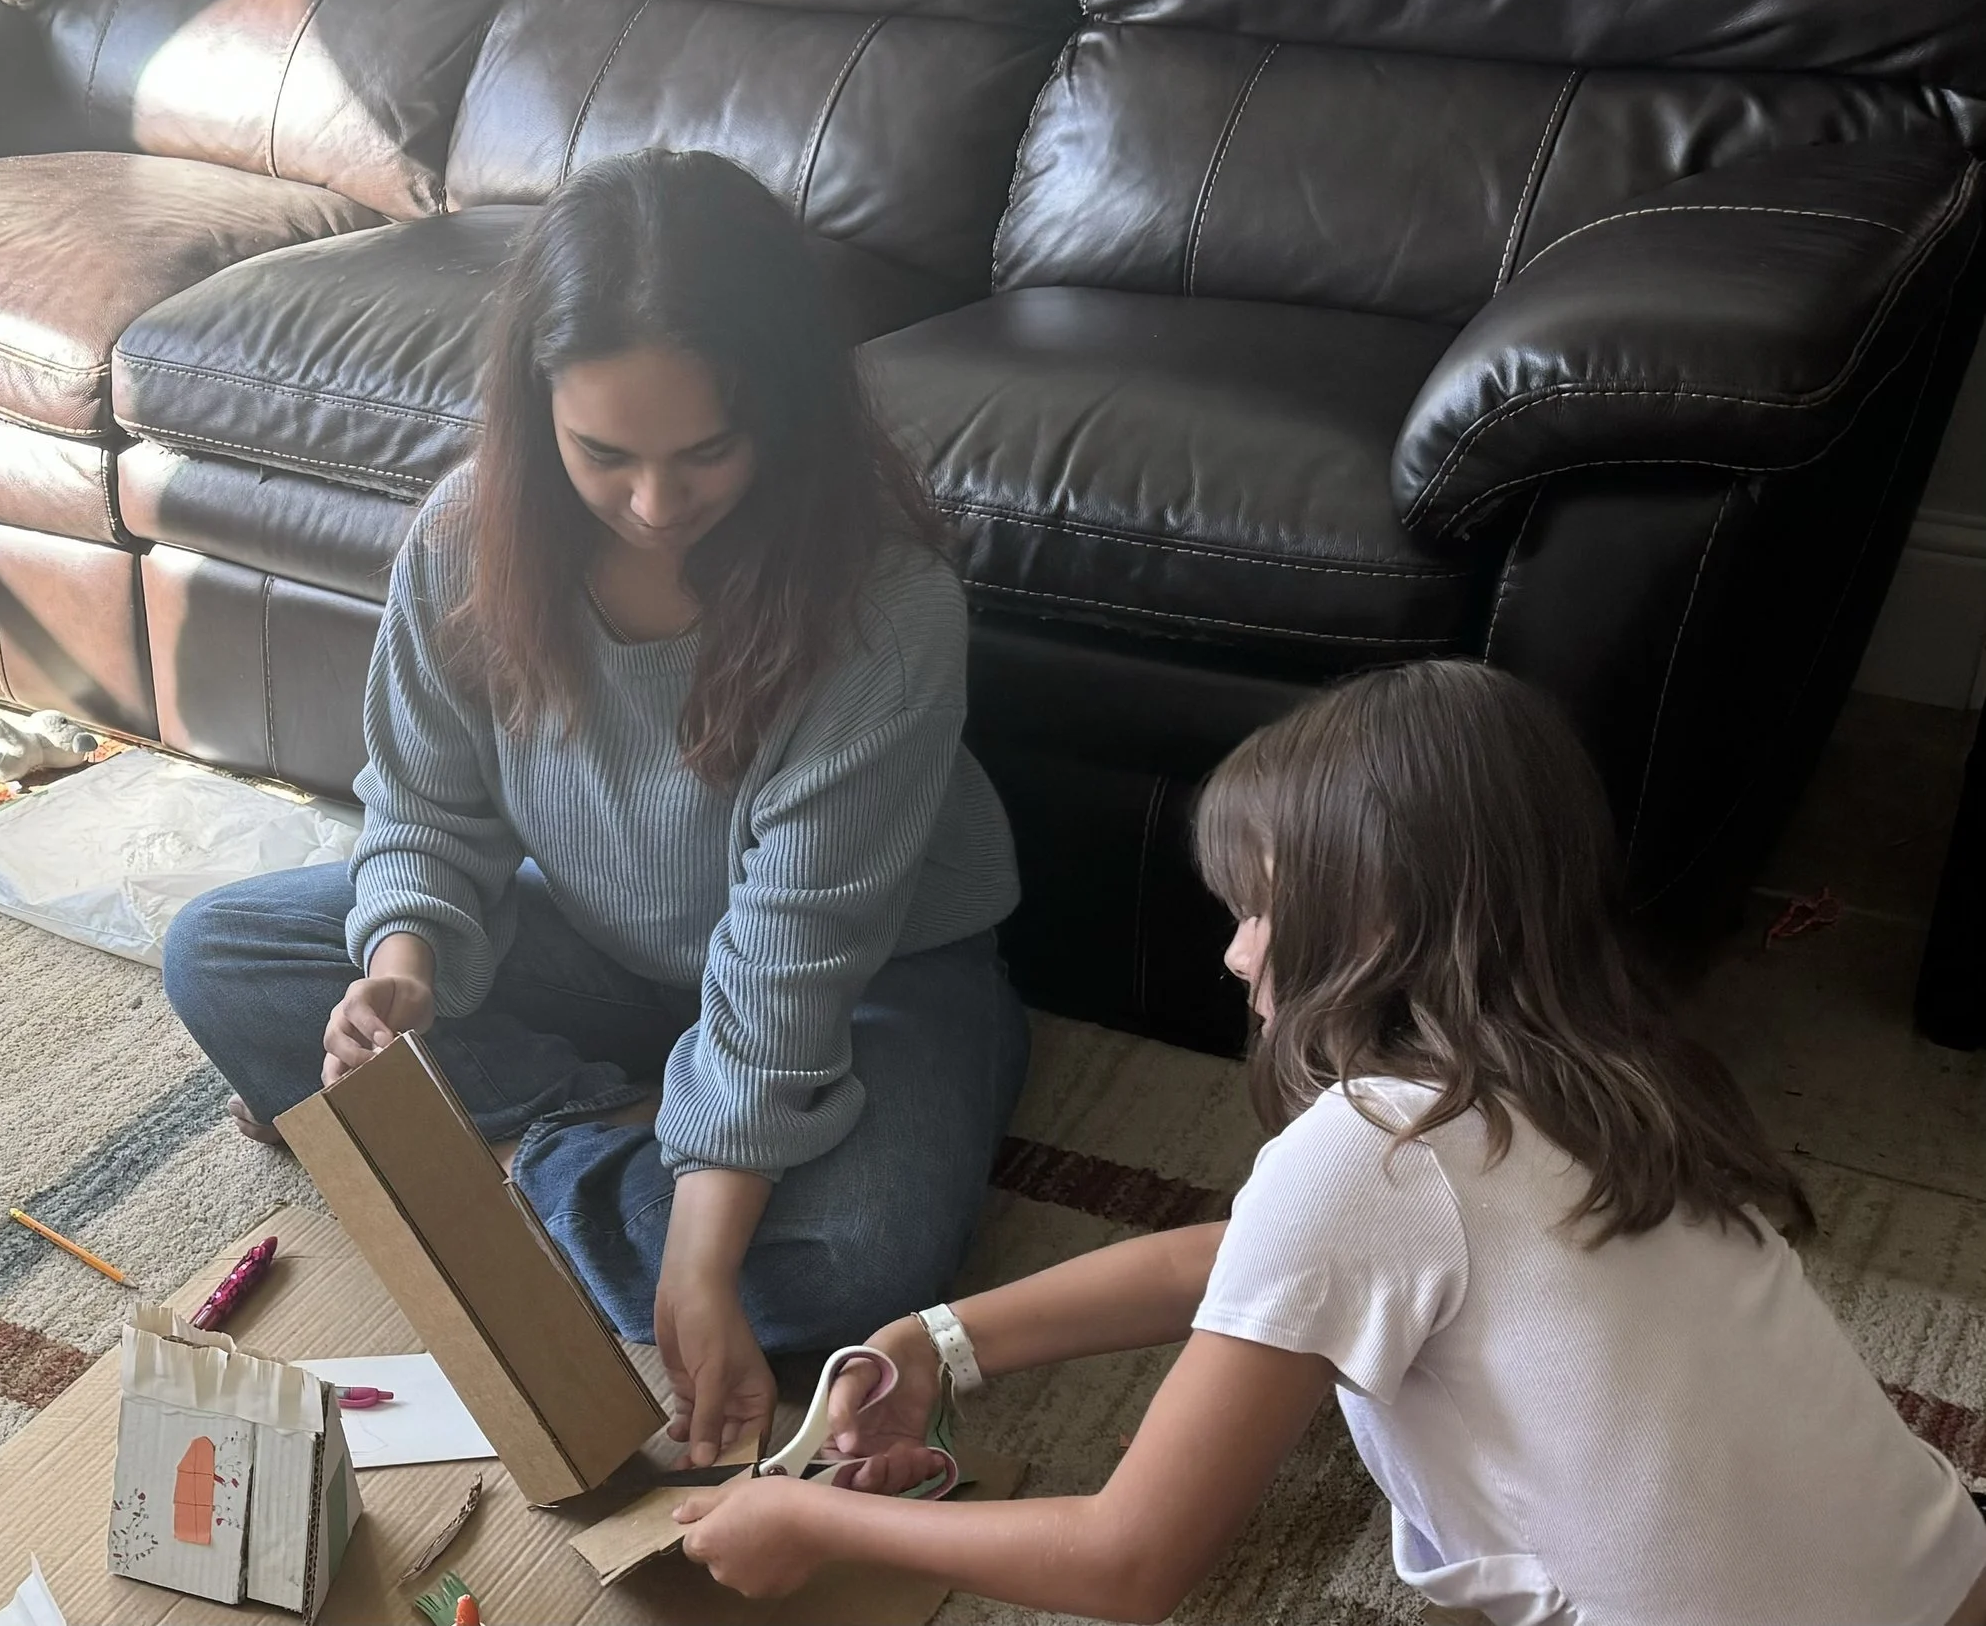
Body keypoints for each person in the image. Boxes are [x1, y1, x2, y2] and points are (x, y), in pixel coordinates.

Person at [675, 658, 1986, 1626]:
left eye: (1256, 910)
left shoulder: (1366, 1157)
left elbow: (1128, 1560)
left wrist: (807, 1516)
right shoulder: (1606, 1077)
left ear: (1373, 922)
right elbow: (1241, 1261)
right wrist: (937, 1341)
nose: (1236, 948)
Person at [162, 147, 1028, 1470]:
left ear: (783, 409)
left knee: (868, 1253)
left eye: (707, 451)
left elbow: (794, 953)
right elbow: (425, 811)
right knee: (219, 954)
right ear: (535, 412)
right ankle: (593, 1131)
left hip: (872, 972)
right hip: (603, 938)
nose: (654, 504)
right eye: (602, 453)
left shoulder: (885, 605)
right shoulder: (465, 536)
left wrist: (701, 1246)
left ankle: (521, 1153)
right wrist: (403, 970)